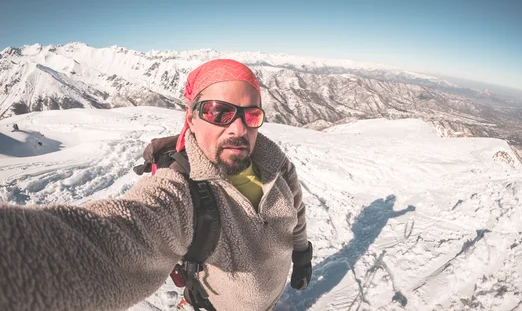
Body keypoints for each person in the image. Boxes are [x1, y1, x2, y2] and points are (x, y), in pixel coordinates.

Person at [0, 59, 312, 311]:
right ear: (191, 117)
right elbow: (113, 240)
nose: (239, 128)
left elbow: (296, 213)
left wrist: (302, 255)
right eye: (220, 112)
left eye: (252, 114)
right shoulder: (184, 194)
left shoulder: (277, 166)